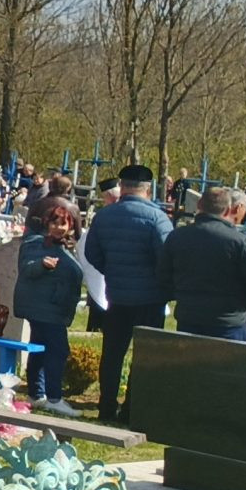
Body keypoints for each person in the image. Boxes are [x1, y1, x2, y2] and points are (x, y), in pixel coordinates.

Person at [82, 165, 171, 423]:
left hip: (117, 295)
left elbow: (92, 254)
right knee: (143, 356)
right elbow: (165, 257)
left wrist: (113, 271)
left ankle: (106, 406)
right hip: (150, 298)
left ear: (122, 185)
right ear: (149, 188)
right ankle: (131, 409)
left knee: (112, 354)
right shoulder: (157, 219)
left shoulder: (104, 216)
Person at [14, 200, 87, 413]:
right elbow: (26, 269)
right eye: (54, 223)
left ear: (71, 226)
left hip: (52, 307)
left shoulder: (67, 245)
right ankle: (54, 399)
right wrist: (42, 265)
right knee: (58, 350)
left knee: (39, 347)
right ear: (47, 224)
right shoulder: (36, 244)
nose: (58, 227)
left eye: (63, 224)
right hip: (44, 308)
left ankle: (37, 394)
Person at [159, 186, 246, 342]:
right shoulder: (240, 242)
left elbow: (164, 276)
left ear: (199, 206)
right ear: (227, 210)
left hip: (188, 316)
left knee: (190, 365)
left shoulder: (177, 236)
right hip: (228, 321)